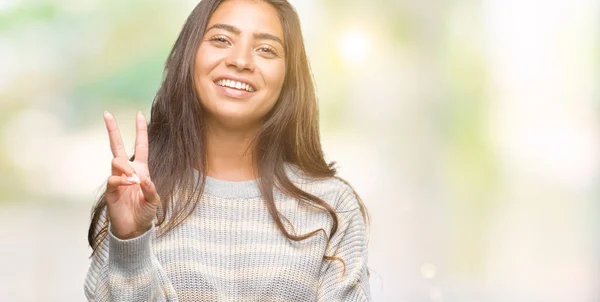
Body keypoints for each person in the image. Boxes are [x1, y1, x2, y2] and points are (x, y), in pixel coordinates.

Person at [84, 0, 370, 301]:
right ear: (189, 55)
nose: (241, 60)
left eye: (266, 49)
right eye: (221, 40)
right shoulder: (132, 199)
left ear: (289, 77)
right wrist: (130, 242)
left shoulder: (332, 206)